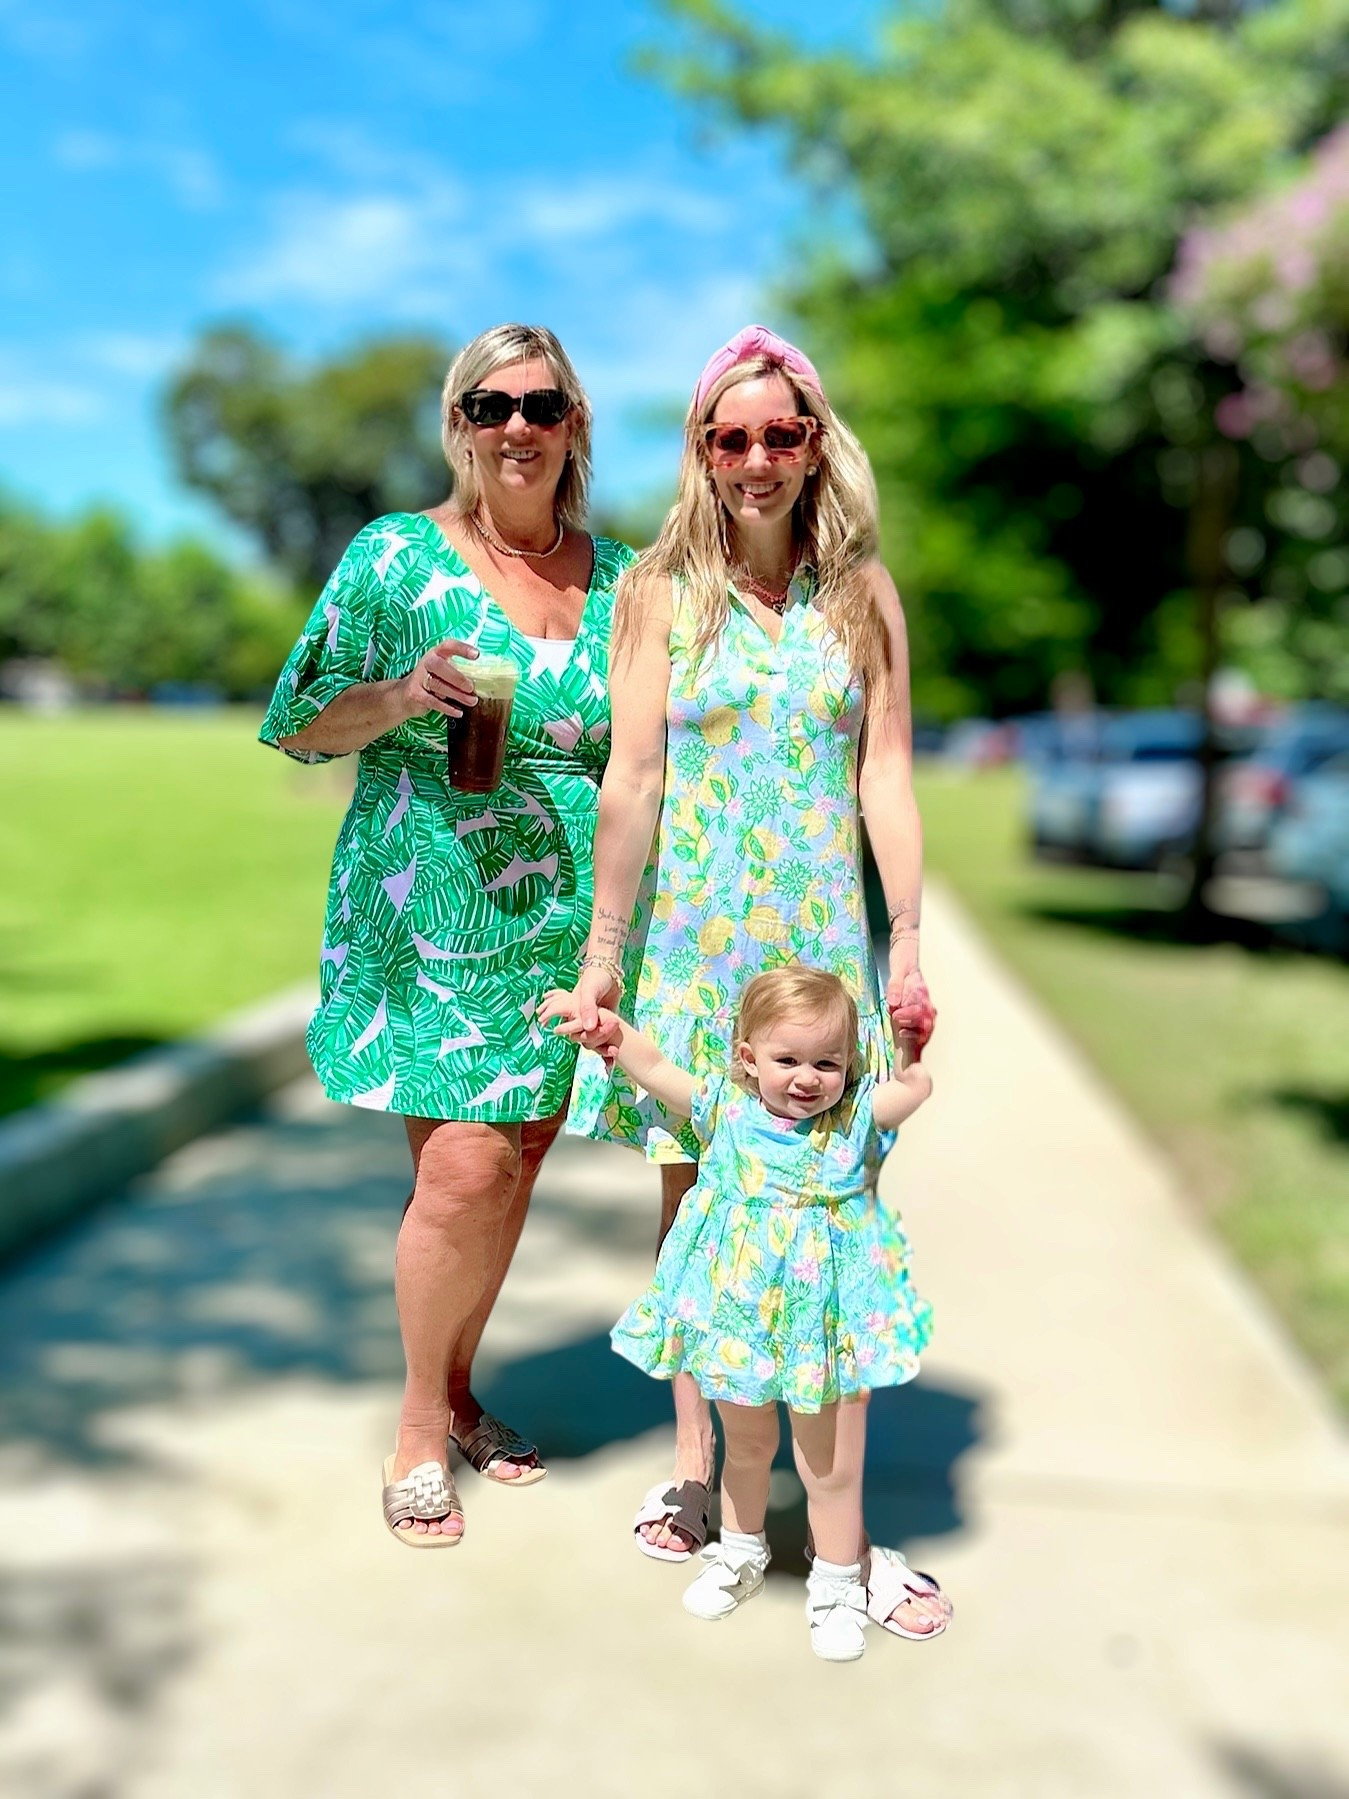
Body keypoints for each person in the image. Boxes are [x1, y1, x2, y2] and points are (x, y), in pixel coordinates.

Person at [562, 323, 947, 1637]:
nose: (758, 457)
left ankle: (835, 1523)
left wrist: (908, 942)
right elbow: (635, 777)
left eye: (782, 432)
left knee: (831, 1215)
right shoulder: (661, 591)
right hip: (696, 947)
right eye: (730, 436)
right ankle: (710, 1478)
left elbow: (882, 775)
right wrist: (606, 949)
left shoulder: (862, 595)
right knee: (698, 1217)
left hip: (822, 959)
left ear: (815, 441)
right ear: (700, 452)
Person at [259, 323, 636, 1545]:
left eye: (537, 404)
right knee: (462, 1165)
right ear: (457, 424)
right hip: (431, 906)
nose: (514, 426)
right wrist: (400, 694)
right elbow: (305, 726)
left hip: (566, 916)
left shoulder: (625, 579)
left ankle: (463, 1386)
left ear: (573, 421)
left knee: (517, 1160)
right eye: (488, 405)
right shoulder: (394, 557)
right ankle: (422, 1423)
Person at [549, 965, 934, 1661]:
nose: (808, 1077)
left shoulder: (849, 1121)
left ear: (850, 1065)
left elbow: (910, 1092)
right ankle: (740, 1553)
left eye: (827, 1061)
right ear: (748, 1057)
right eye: (787, 1059)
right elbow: (656, 1064)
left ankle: (838, 1585)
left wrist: (909, 1049)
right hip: (739, 1320)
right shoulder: (724, 1108)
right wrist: (608, 1033)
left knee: (829, 1466)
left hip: (820, 1325)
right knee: (748, 1447)